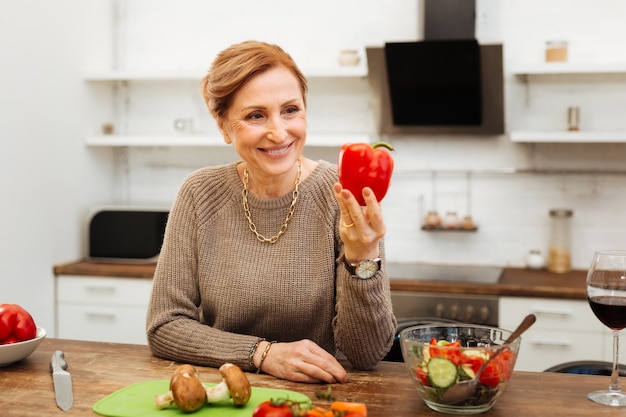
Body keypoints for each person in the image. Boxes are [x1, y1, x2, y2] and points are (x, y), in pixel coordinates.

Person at [146, 40, 396, 384]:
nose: (279, 132)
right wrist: (262, 353)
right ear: (222, 125)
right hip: (224, 393)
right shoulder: (199, 193)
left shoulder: (342, 192)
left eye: (291, 110)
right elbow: (164, 326)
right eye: (255, 115)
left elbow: (366, 355)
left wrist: (363, 257)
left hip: (317, 399)